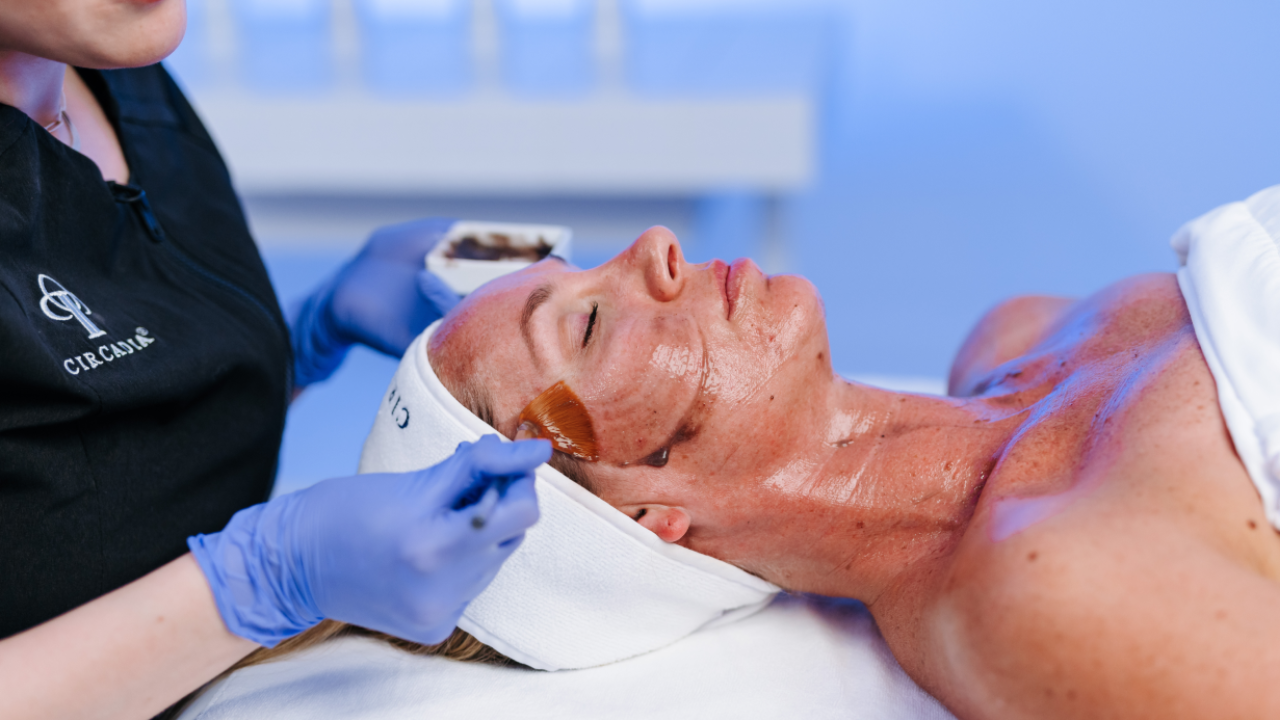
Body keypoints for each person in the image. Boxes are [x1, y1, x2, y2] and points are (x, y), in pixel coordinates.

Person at [402, 225, 1280, 719]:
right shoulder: (1045, 594)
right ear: (641, 517)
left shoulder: (1018, 335)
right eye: (589, 324)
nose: (655, 246)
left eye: (585, 266)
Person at [0, 2, 549, 719]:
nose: (660, 250)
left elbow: (71, 446)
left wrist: (300, 344)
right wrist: (259, 581)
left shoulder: (107, 52)